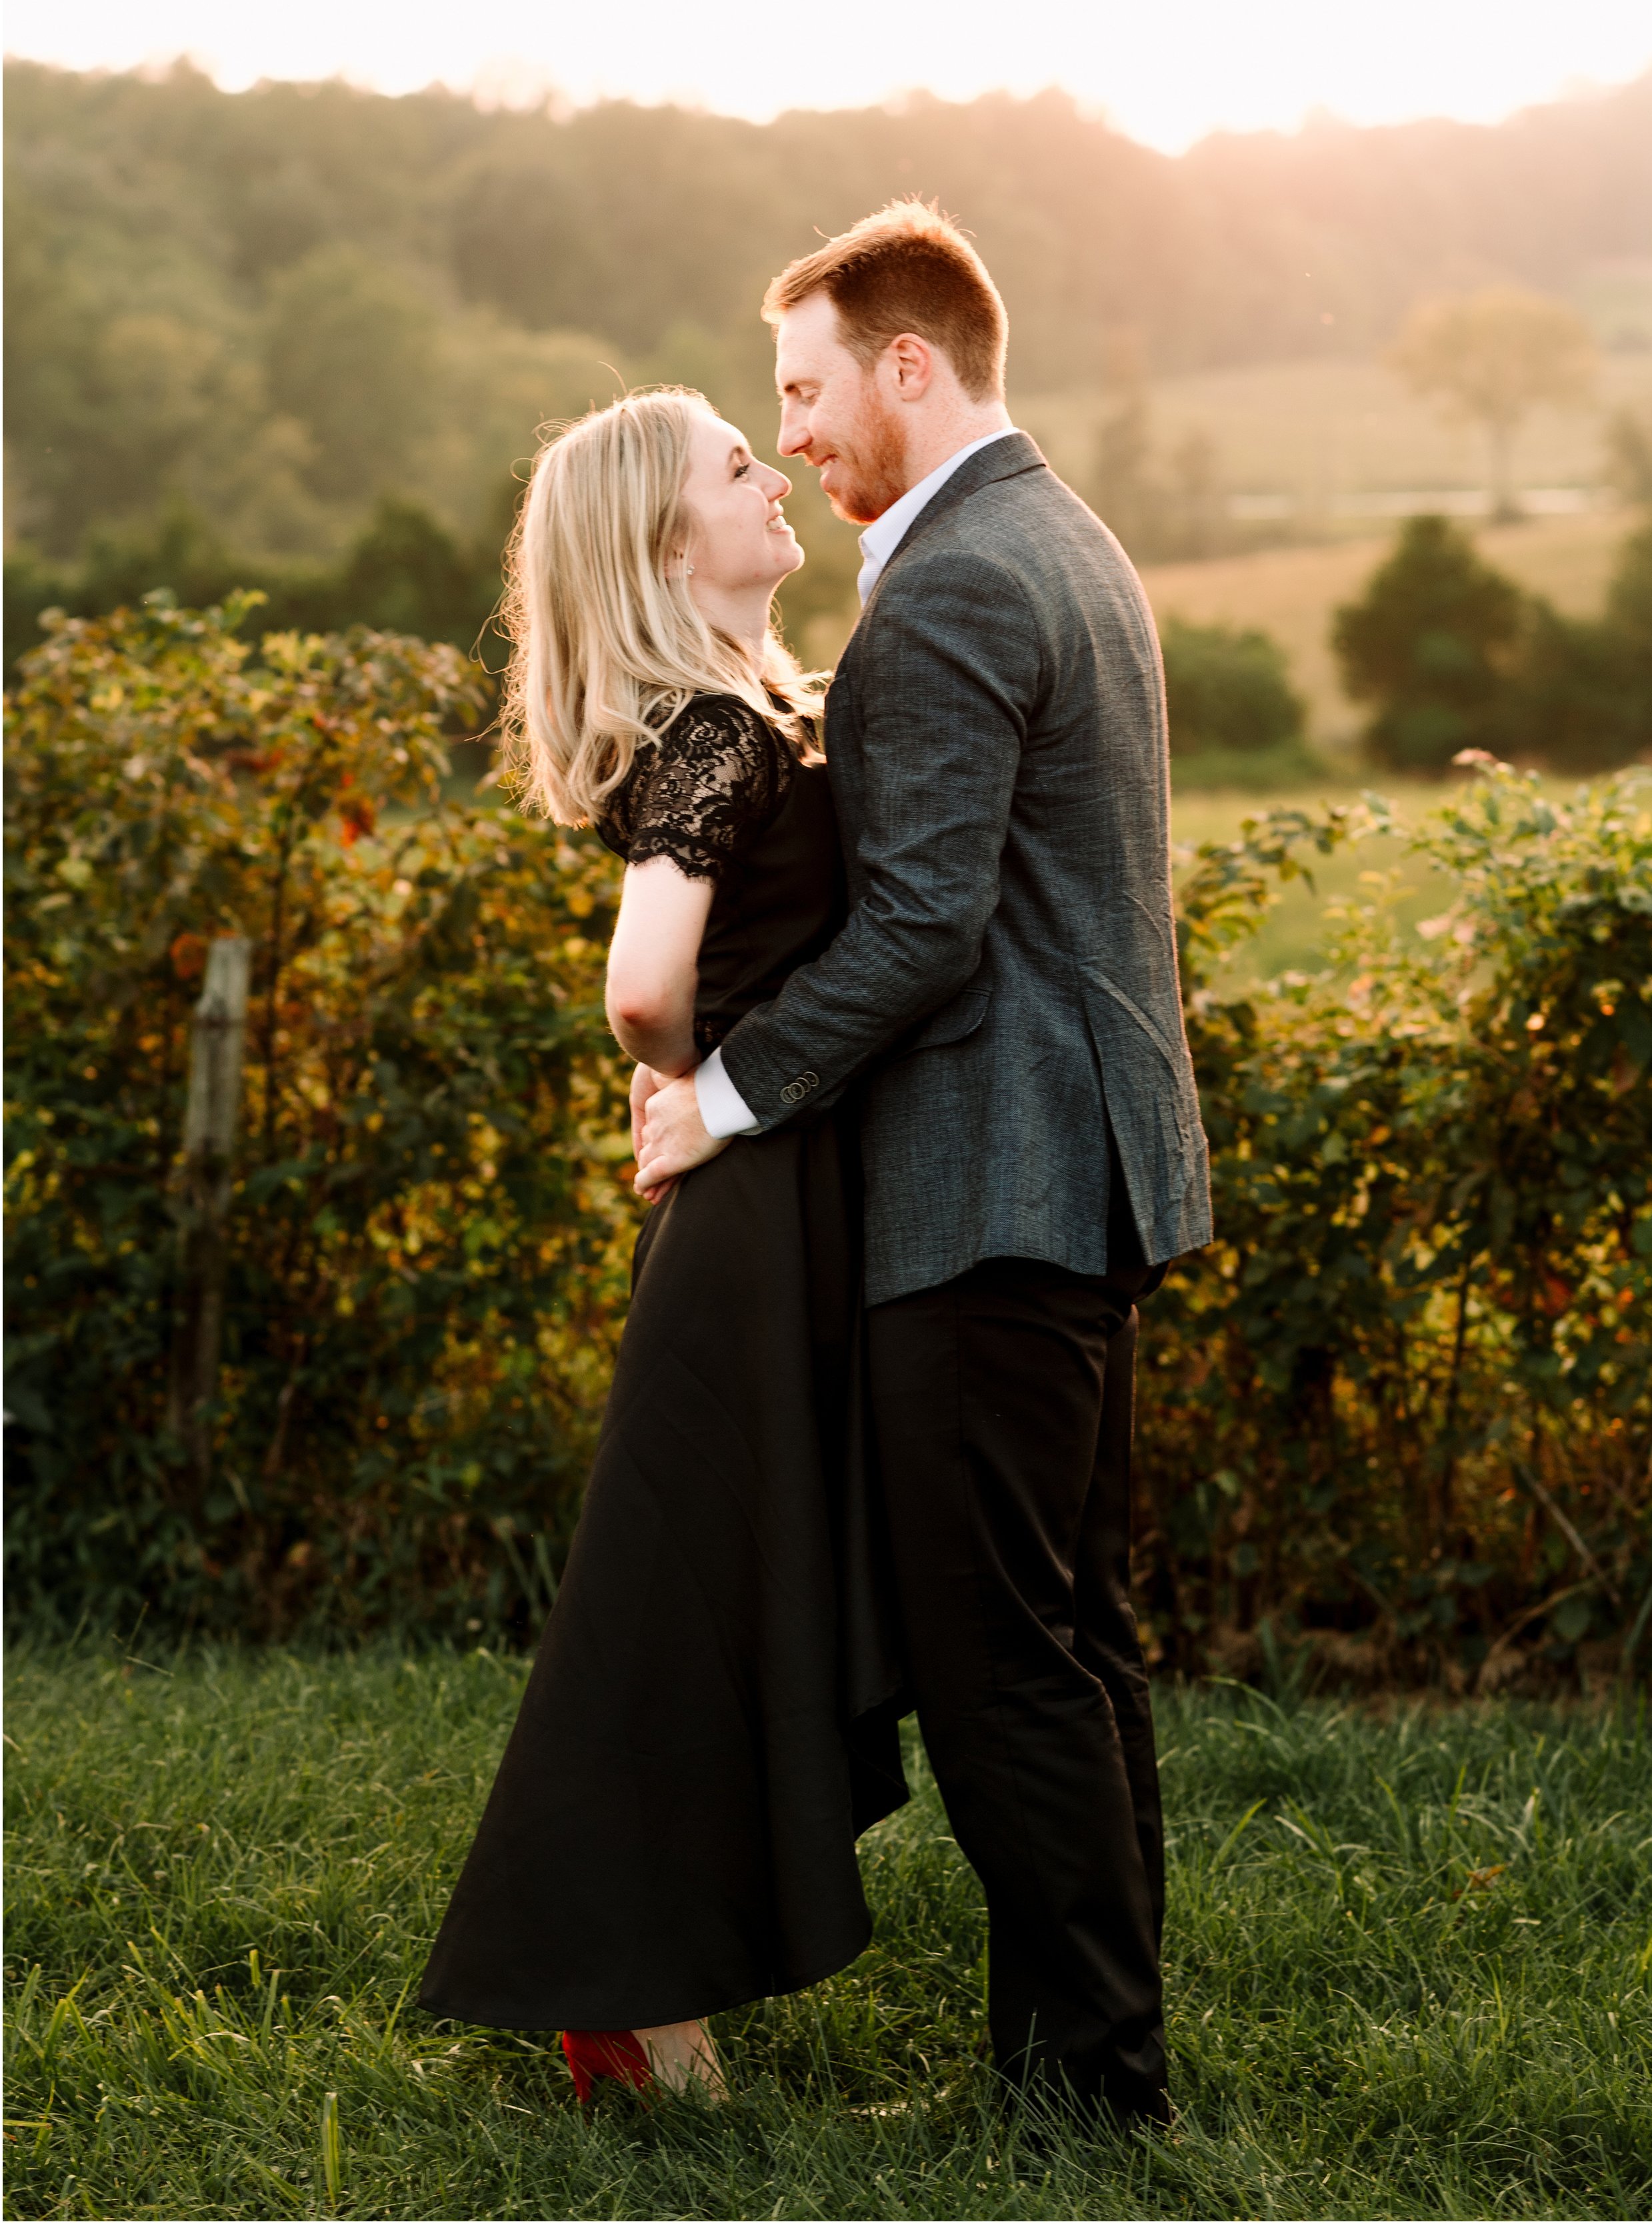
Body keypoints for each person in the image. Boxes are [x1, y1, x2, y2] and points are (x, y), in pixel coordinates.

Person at [635, 201, 1213, 2126]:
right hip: (1080, 1167)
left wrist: (716, 1098)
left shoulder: (960, 576)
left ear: (906, 363)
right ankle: (1094, 2056)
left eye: (805, 388)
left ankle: (1076, 2089)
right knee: (1069, 1635)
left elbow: (922, 930)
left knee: (999, 1662)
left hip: (991, 1182)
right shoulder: (1059, 532)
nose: (792, 430)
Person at [419, 390, 906, 2103]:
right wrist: (695, 1084)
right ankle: (625, 2000)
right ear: (658, 542)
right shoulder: (708, 726)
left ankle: (651, 1995)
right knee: (688, 1593)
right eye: (729, 464)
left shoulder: (765, 698)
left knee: (725, 1581)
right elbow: (642, 981)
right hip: (753, 1214)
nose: (767, 473)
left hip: (780, 1192)